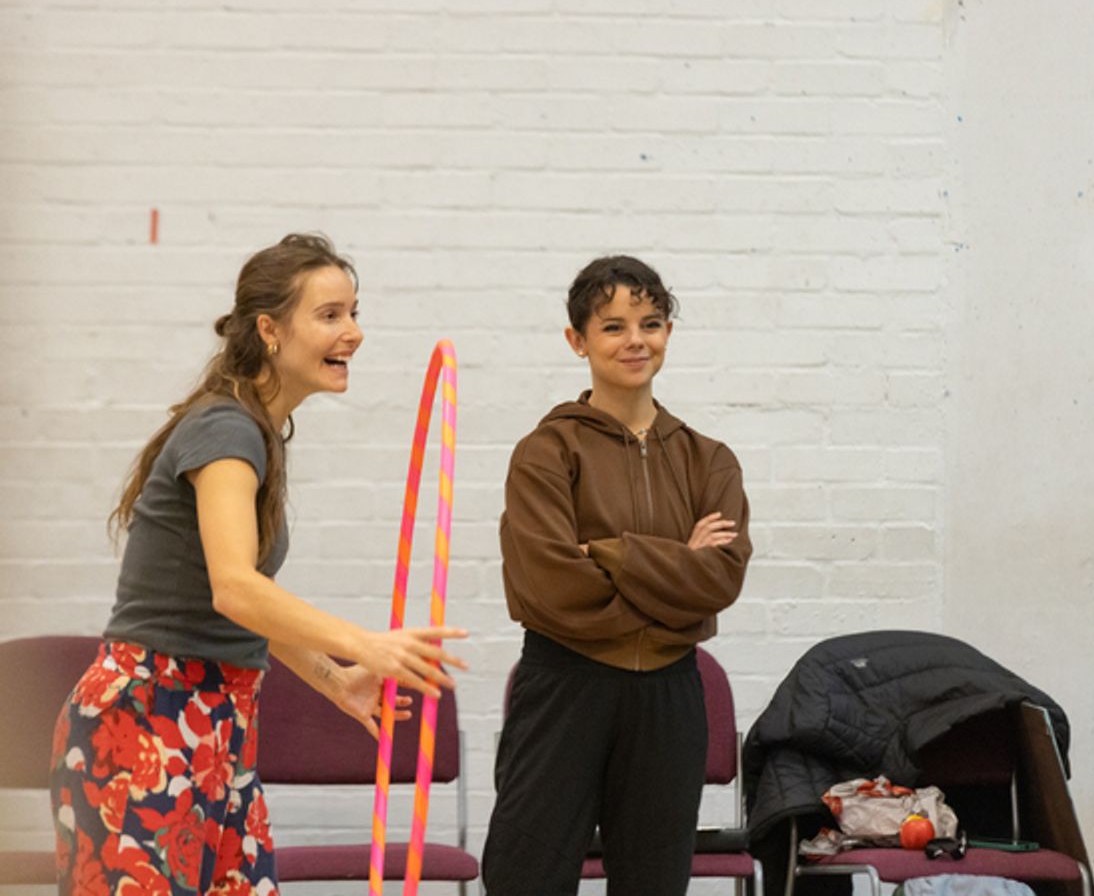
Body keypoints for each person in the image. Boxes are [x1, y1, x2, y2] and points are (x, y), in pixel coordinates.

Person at [49, 234, 467, 896]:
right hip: (149, 719)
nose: (353, 333)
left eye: (355, 312)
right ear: (270, 329)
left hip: (214, 723)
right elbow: (236, 590)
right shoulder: (228, 431)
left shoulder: (255, 431)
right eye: (330, 315)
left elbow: (249, 600)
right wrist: (367, 644)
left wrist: (334, 680)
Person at [482, 255, 752, 895]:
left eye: (651, 323)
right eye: (613, 326)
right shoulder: (546, 453)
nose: (636, 340)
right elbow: (552, 586)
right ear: (577, 341)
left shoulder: (709, 460)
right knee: (527, 879)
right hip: (564, 687)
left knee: (655, 885)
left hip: (669, 695)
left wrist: (611, 553)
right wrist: (673, 563)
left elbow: (719, 581)